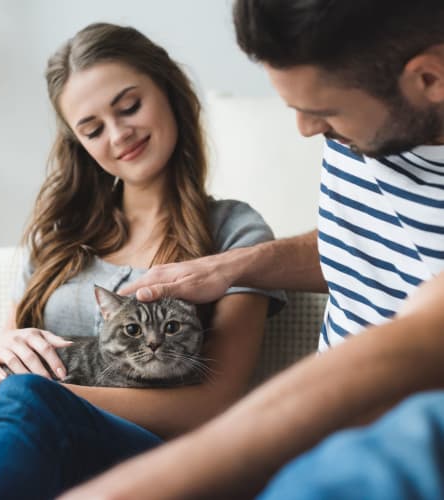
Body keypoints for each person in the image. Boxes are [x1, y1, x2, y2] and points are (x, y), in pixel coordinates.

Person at [57, 1, 444, 499]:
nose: (307, 130)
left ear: (429, 79)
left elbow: (422, 342)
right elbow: (367, 241)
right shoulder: (370, 123)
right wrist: (232, 267)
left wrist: (152, 482)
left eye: (324, 112)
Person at [0, 22, 284, 499]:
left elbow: (214, 402)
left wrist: (36, 398)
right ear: (79, 144)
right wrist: (7, 351)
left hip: (146, 455)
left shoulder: (234, 232)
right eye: (93, 128)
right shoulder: (57, 237)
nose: (120, 133)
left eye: (129, 107)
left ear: (168, 91)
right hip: (18, 438)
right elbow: (7, 350)